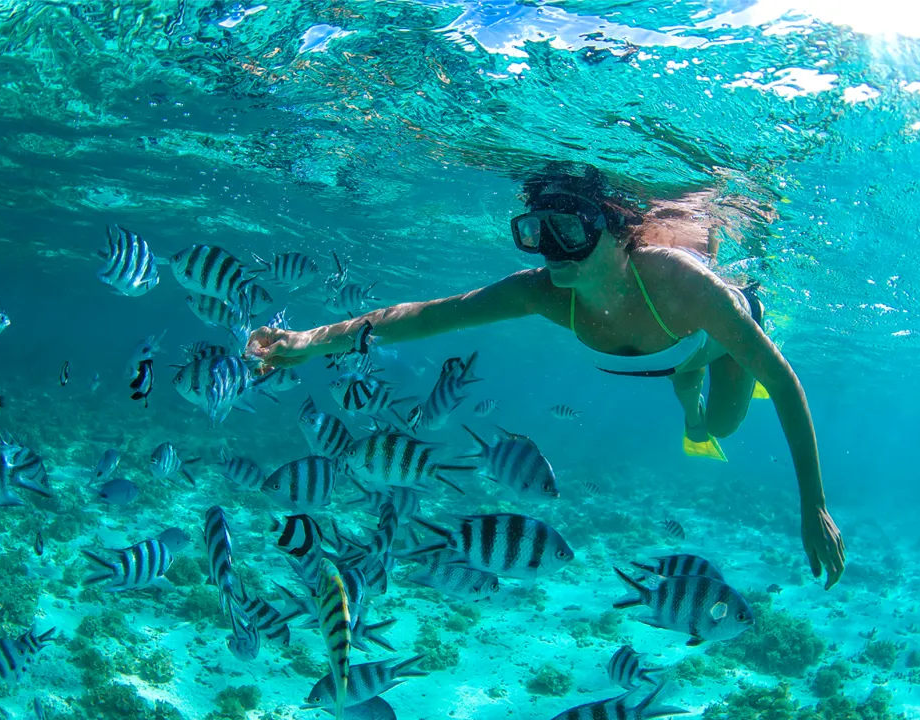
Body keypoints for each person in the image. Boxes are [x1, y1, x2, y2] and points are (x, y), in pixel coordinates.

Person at [248, 164, 846, 589]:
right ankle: (681, 379)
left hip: (716, 341)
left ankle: (704, 366)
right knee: (689, 389)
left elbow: (784, 380)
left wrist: (813, 504)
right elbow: (428, 317)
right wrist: (311, 340)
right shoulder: (540, 293)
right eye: (537, 232)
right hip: (668, 350)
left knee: (722, 423)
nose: (552, 250)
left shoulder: (680, 282)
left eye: (571, 230)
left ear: (615, 230)